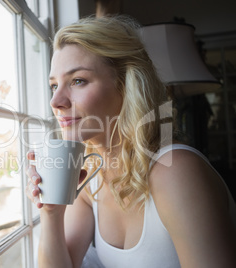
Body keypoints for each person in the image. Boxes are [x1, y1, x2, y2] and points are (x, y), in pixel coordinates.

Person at [25, 15, 236, 268]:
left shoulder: (175, 170)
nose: (55, 101)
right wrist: (51, 212)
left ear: (126, 84)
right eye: (54, 85)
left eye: (78, 81)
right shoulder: (89, 176)